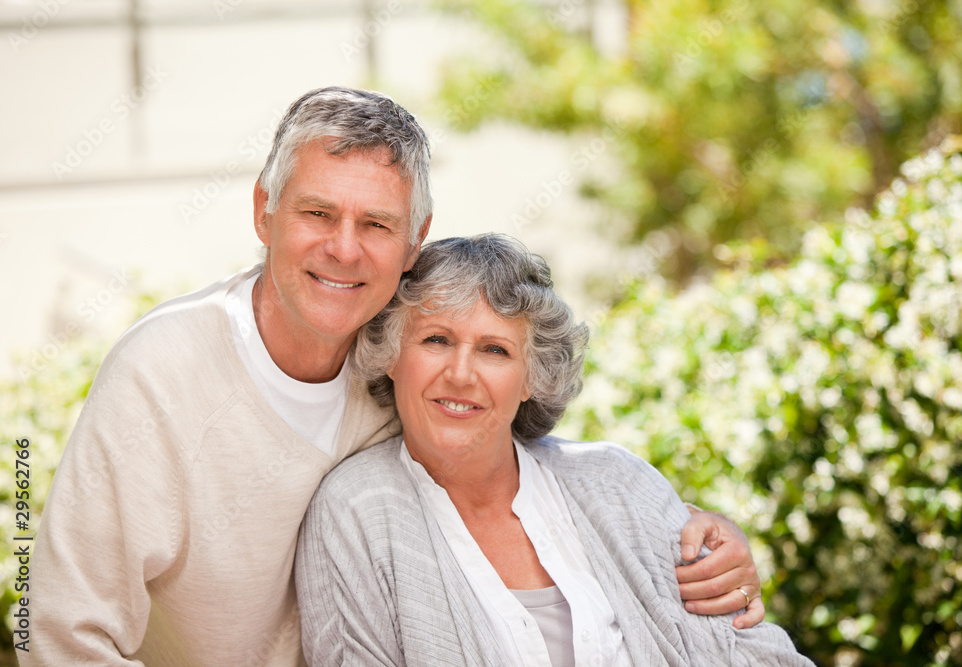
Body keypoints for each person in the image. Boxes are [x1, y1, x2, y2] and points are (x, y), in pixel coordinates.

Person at [27, 87, 760, 666]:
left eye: (376, 224)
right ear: (264, 210)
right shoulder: (163, 373)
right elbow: (61, 634)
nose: (344, 250)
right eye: (318, 212)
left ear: (415, 239)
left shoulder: (393, 360)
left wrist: (696, 531)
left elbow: (513, 451)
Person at [296, 234, 813, 666]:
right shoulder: (355, 511)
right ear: (391, 354)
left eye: (495, 350)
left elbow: (747, 647)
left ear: (532, 379)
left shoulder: (617, 481)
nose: (460, 374)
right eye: (436, 340)